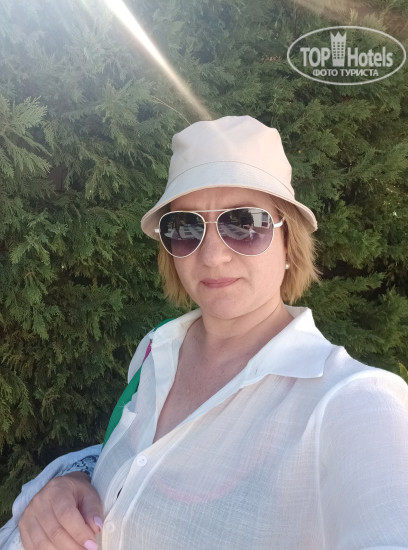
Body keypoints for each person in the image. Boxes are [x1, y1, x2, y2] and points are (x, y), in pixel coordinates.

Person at [2, 116, 408, 550]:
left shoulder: (353, 402)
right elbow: (136, 466)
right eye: (186, 228)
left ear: (288, 242)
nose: (212, 256)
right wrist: (74, 481)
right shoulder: (156, 349)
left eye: (244, 224)